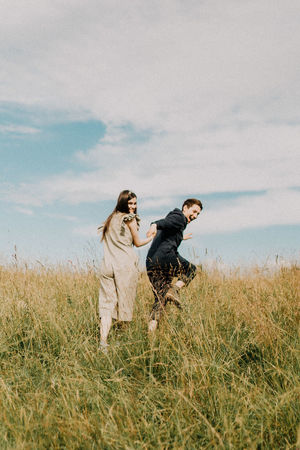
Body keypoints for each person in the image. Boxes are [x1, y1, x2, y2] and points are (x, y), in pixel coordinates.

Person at [97, 190, 155, 352]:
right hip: (125, 266)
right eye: (130, 203)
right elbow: (137, 242)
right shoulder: (129, 220)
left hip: (107, 265)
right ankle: (120, 342)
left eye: (135, 203)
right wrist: (151, 237)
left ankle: (103, 343)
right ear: (122, 203)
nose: (133, 207)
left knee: (107, 305)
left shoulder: (110, 220)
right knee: (125, 304)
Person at [146, 198, 203, 332]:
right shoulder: (179, 217)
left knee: (160, 300)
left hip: (151, 263)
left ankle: (151, 334)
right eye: (194, 212)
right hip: (165, 257)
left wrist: (180, 236)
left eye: (198, 214)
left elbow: (168, 227)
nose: (195, 216)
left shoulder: (175, 220)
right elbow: (165, 223)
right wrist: (154, 224)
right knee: (191, 269)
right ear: (185, 208)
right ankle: (175, 290)